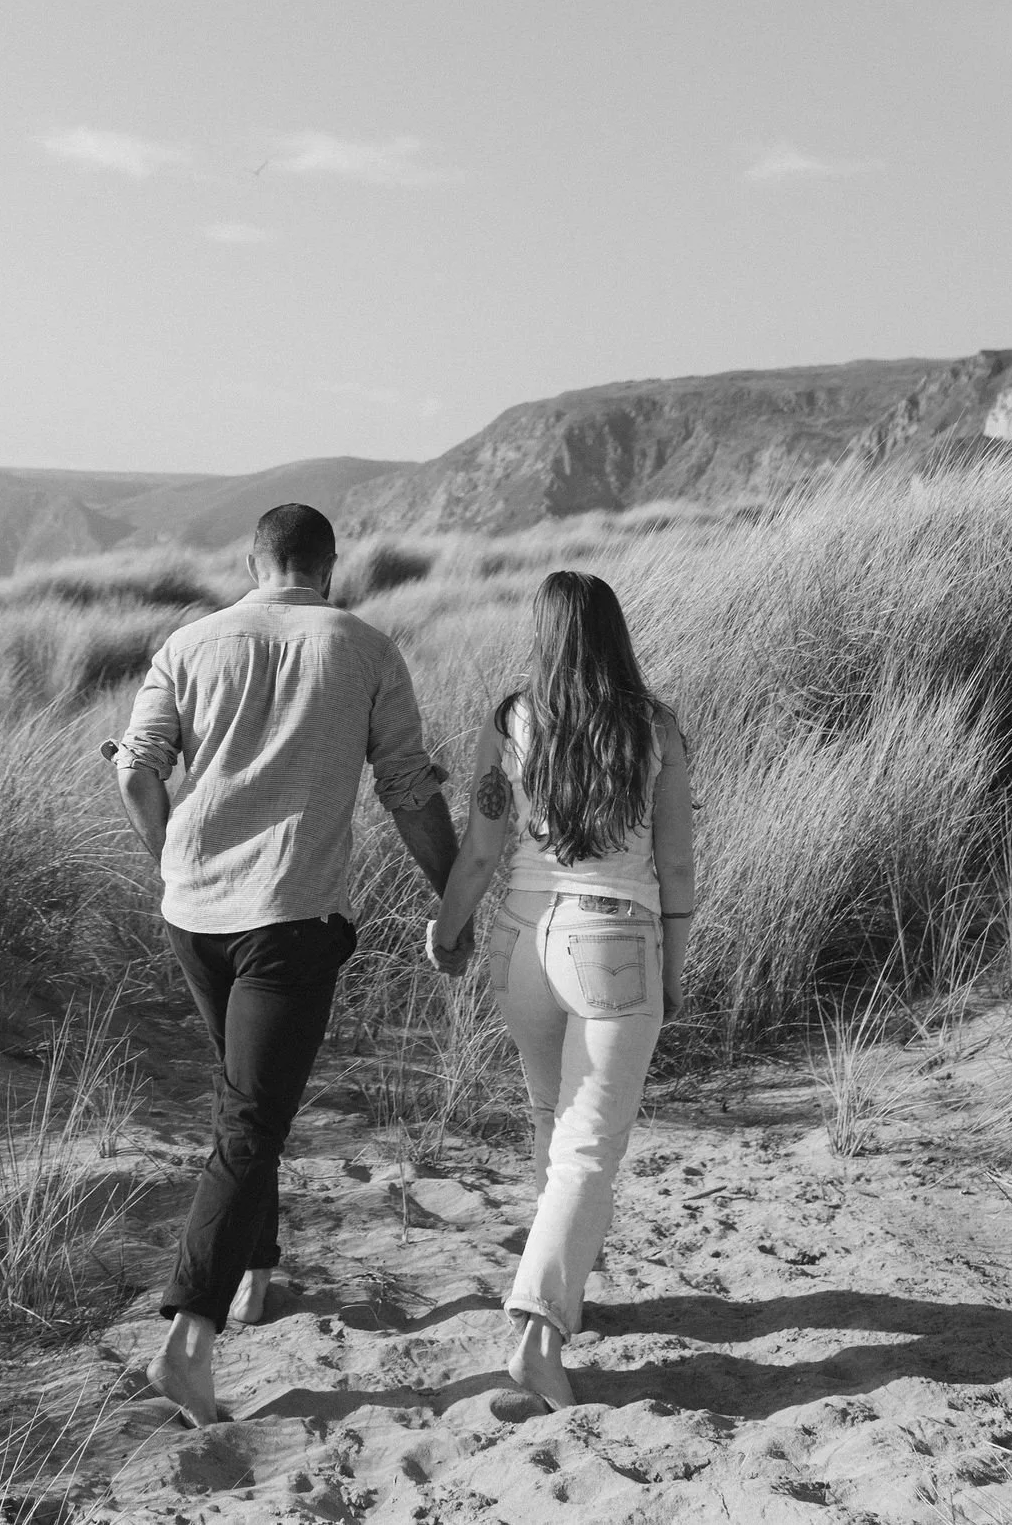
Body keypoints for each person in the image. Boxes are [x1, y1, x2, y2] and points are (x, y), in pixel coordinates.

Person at [110, 502, 461, 1427]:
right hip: (289, 917)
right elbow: (408, 788)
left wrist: (166, 855)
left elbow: (136, 768)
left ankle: (256, 1276)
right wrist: (454, 891)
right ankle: (188, 1341)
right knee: (251, 1117)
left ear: (255, 561)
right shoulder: (365, 647)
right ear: (329, 564)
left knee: (246, 1099)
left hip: (194, 911)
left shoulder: (190, 643)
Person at [427, 568, 694, 1410]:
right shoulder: (654, 727)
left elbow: (480, 850)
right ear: (613, 634)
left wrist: (447, 929)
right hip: (614, 938)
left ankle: (563, 1291)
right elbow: (677, 864)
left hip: (521, 940)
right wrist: (675, 964)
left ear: (543, 635)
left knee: (553, 1122)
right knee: (587, 1147)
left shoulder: (510, 721)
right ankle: (540, 1333)